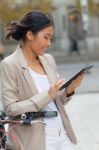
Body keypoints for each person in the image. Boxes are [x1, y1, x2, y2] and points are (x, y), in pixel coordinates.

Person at [0, 11, 85, 150]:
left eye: (51, 38)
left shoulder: (49, 59)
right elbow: (10, 109)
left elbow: (58, 101)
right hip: (36, 140)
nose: (49, 43)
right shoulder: (10, 64)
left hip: (62, 135)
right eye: (46, 37)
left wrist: (69, 91)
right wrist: (48, 95)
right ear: (30, 35)